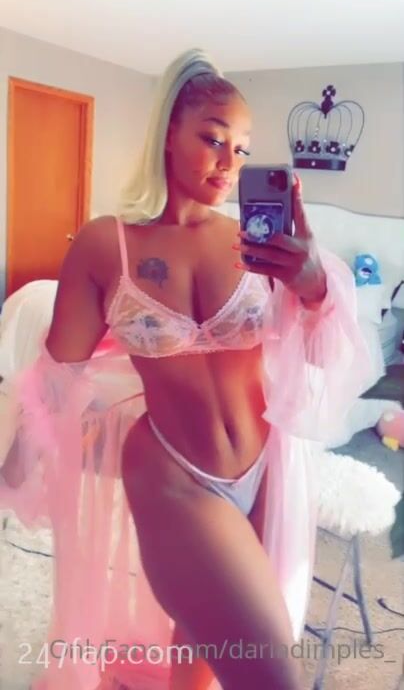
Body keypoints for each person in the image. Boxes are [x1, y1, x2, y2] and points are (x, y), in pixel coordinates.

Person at [0, 48, 371, 690]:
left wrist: (313, 284)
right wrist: (12, 473)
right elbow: (59, 374)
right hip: (174, 473)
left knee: (200, 640)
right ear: (169, 131)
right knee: (272, 674)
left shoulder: (255, 244)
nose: (230, 162)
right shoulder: (106, 244)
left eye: (242, 149)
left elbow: (320, 353)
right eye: (213, 139)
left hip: (266, 468)